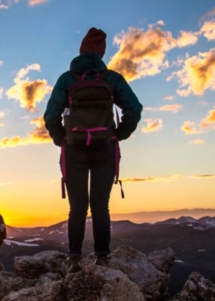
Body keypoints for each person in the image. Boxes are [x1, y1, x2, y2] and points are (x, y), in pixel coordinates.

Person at [44, 27, 142, 272]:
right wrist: (118, 135)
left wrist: (62, 138)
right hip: (105, 149)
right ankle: (102, 258)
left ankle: (74, 259)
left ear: (80, 52)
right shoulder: (111, 78)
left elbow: (50, 115)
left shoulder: (67, 79)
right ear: (101, 54)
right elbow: (134, 108)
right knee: (100, 205)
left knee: (77, 207)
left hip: (74, 150)